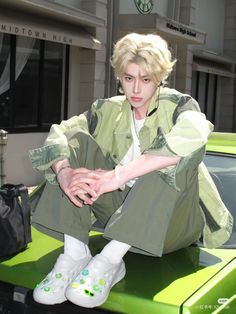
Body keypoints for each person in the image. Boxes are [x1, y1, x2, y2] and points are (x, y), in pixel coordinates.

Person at [29, 33, 233, 308]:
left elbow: (194, 132)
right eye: (128, 78)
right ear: (120, 77)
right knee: (76, 141)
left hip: (175, 223)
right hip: (120, 212)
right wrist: (64, 172)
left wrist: (117, 175)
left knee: (168, 155)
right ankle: (74, 253)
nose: (136, 89)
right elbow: (60, 133)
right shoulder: (106, 110)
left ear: (159, 78)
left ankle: (110, 260)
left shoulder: (180, 106)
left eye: (146, 79)